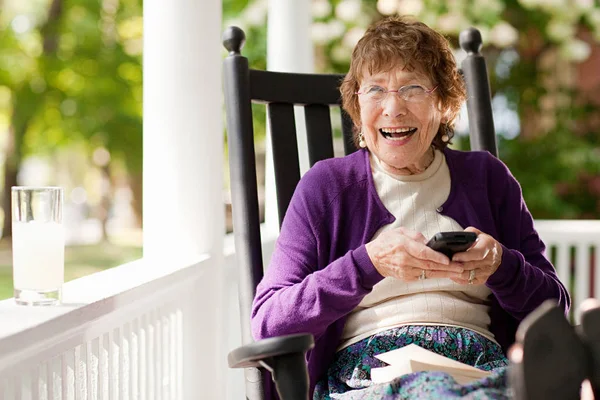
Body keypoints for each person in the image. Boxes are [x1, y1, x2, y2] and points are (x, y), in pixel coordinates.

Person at [251, 16, 570, 399]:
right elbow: (269, 322)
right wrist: (367, 264)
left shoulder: (489, 179)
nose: (393, 108)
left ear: (444, 102)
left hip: (480, 369)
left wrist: (502, 266)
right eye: (376, 90)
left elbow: (554, 309)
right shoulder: (327, 187)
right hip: (371, 375)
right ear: (356, 105)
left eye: (412, 88)